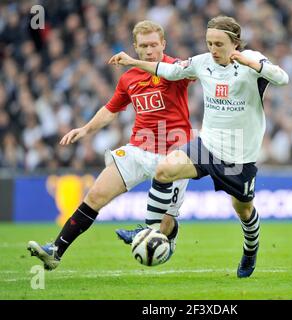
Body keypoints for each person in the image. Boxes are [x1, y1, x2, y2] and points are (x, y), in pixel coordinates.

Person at [109, 15, 289, 278]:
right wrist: (133, 62)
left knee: (243, 210)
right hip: (207, 145)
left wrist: (252, 62)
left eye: (219, 44)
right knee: (164, 170)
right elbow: (170, 71)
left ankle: (250, 250)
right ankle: (149, 231)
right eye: (209, 43)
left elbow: (282, 77)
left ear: (234, 43)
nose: (213, 50)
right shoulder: (202, 62)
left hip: (239, 156)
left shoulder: (251, 59)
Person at [27, 20, 194, 270]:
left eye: (154, 45)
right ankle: (56, 252)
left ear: (163, 45)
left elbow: (195, 72)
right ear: (136, 47)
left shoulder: (175, 69)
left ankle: (168, 237)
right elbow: (110, 110)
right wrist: (85, 129)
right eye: (144, 46)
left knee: (165, 224)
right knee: (95, 195)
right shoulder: (129, 79)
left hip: (174, 155)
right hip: (138, 149)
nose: (150, 50)